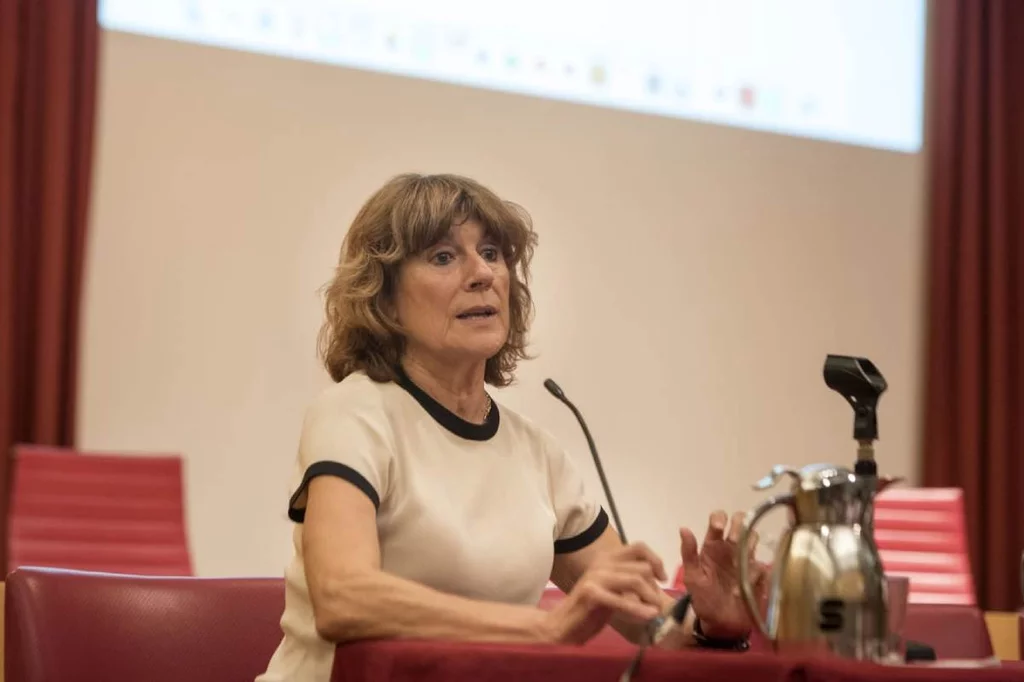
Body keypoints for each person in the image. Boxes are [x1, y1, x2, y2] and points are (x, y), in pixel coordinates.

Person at [256, 173, 769, 682]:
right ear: (384, 299)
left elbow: (650, 624)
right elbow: (342, 597)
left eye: (494, 253)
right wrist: (542, 629)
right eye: (442, 256)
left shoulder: (537, 453)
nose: (482, 273)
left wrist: (711, 622)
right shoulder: (355, 413)